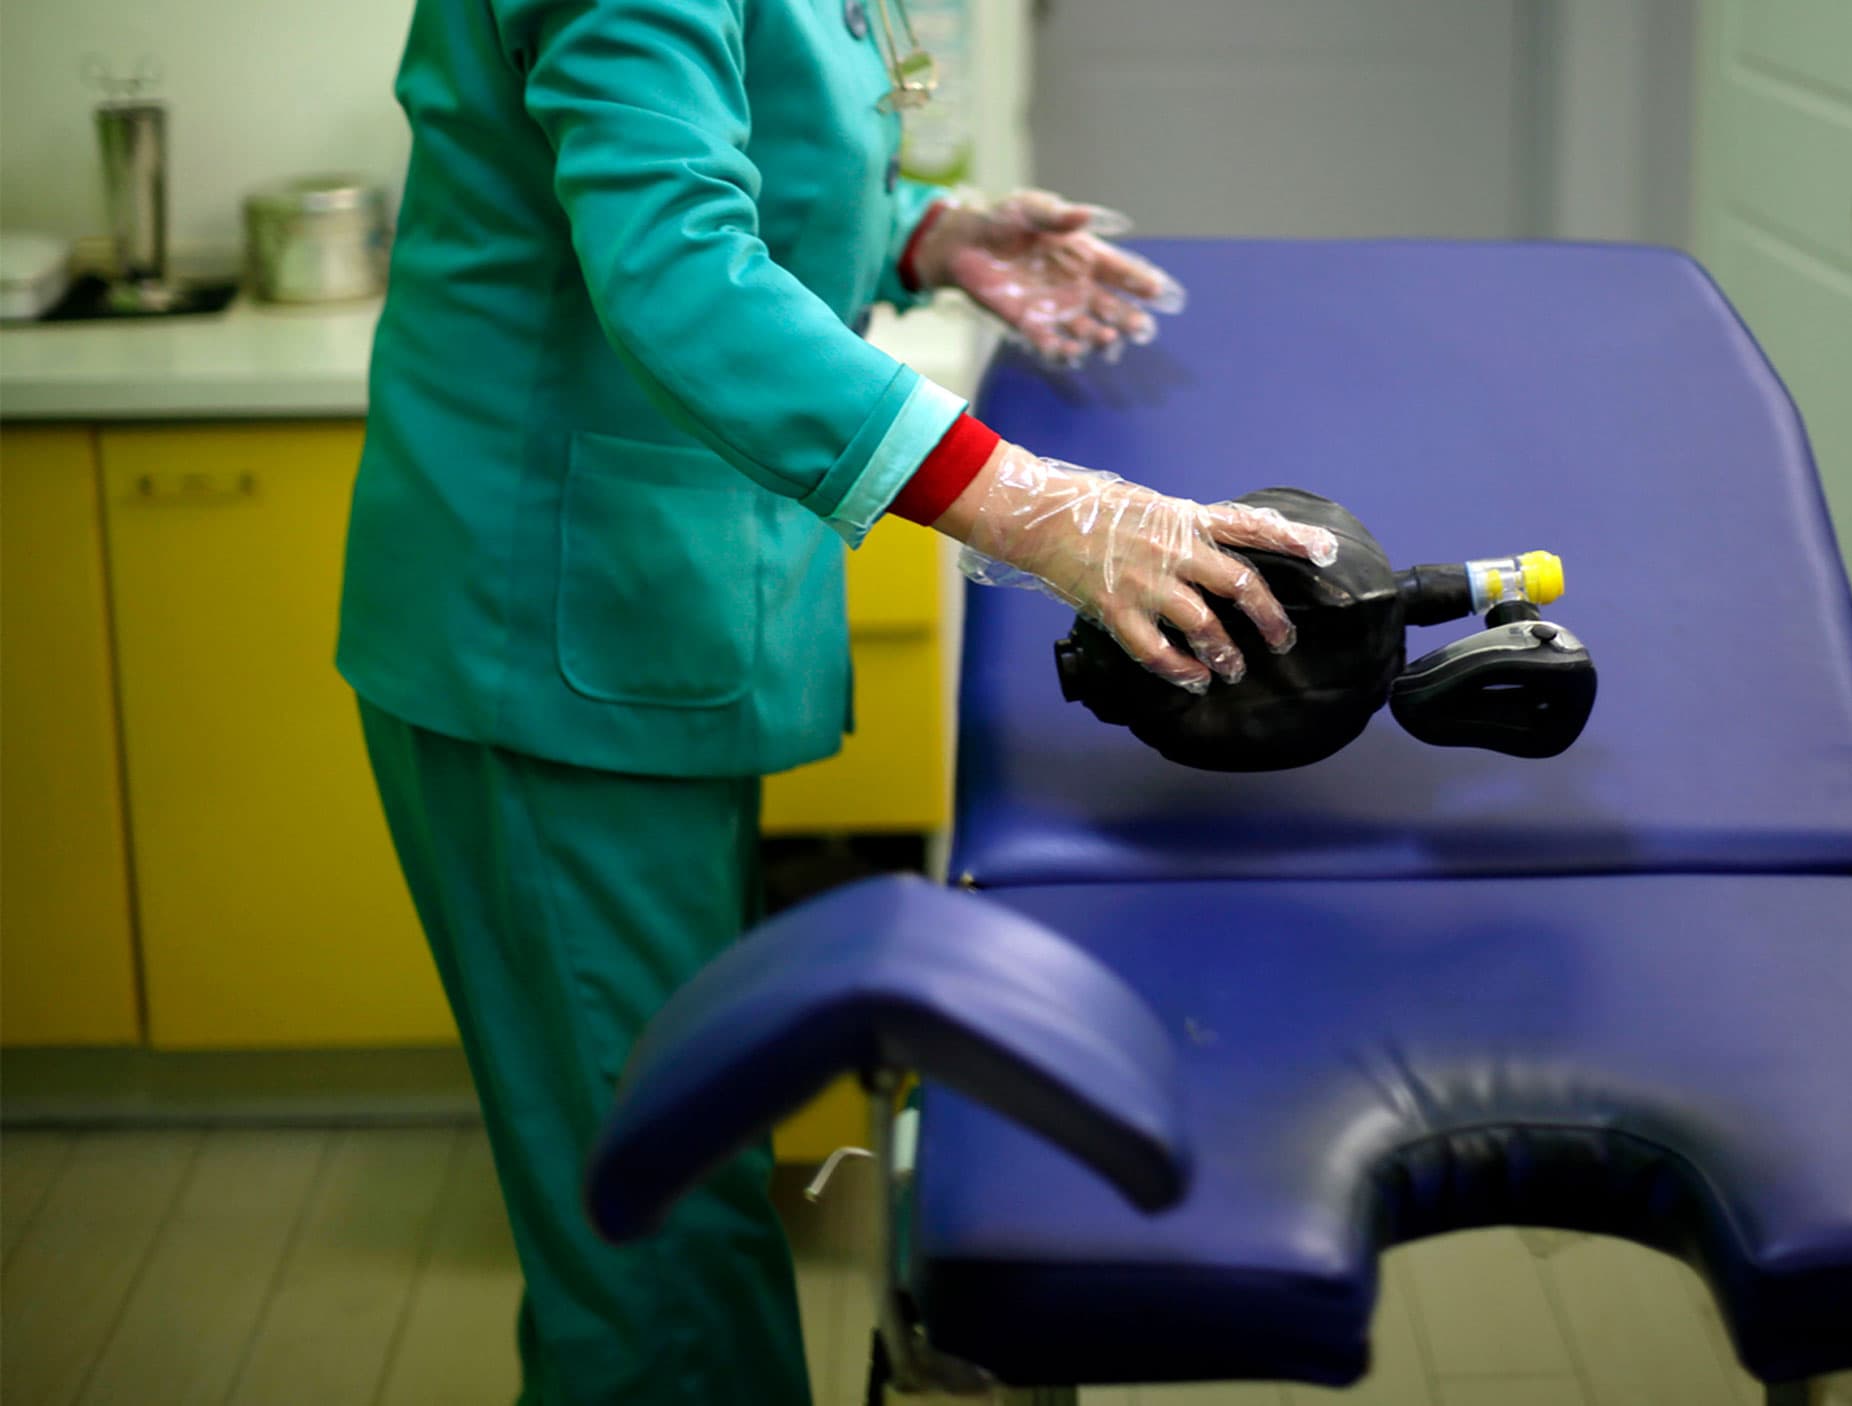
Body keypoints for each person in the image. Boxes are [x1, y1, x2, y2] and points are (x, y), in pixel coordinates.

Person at [334, 0, 1336, 1399]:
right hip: (542, 622)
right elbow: (678, 264)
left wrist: (925, 234)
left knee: (690, 1163)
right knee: (654, 1236)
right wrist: (1039, 508)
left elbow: (734, 139)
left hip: (638, 598)